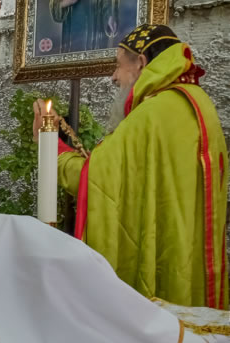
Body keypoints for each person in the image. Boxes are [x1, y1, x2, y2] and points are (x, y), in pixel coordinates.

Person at [35, 24, 228, 308]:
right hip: (192, 255)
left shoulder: (152, 114)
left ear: (141, 62)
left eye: (118, 65)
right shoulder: (197, 101)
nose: (114, 77)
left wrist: (51, 145)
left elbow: (95, 182)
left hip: (163, 264)